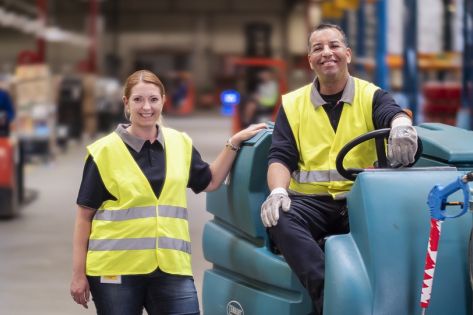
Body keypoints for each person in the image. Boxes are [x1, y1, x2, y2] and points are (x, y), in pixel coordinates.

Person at [70, 69, 266, 314]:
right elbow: (83, 217)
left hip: (171, 267)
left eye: (153, 99)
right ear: (126, 103)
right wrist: (78, 274)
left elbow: (210, 181)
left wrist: (233, 142)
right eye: (138, 99)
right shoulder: (104, 151)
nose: (146, 107)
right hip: (114, 270)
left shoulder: (179, 143)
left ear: (163, 100)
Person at [260, 23, 418, 314]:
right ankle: (330, 300)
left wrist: (401, 126)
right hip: (311, 204)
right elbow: (280, 156)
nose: (326, 53)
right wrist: (279, 190)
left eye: (333, 46)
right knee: (279, 218)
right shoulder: (292, 104)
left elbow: (392, 113)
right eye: (318, 48)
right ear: (310, 60)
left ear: (347, 53)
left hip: (360, 201)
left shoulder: (371, 95)